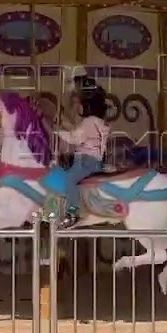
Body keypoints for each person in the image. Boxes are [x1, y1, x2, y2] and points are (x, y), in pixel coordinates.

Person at [54, 76, 110, 228]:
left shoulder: (89, 122)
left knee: (69, 180)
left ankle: (73, 212)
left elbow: (75, 138)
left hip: (85, 161)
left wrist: (57, 132)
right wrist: (63, 123)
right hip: (94, 160)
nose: (77, 107)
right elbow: (77, 131)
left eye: (79, 103)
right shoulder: (98, 122)